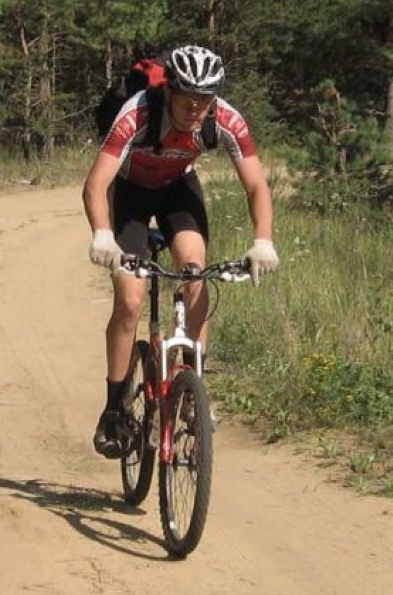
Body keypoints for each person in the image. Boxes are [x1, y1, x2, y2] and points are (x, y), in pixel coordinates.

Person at [82, 44, 279, 458]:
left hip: (177, 193)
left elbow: (257, 184)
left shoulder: (224, 119)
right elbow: (97, 184)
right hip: (131, 195)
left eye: (205, 99)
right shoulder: (137, 113)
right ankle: (115, 407)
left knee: (195, 272)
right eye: (188, 97)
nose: (196, 108)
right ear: (169, 90)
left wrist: (263, 239)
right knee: (131, 300)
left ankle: (189, 389)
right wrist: (102, 233)